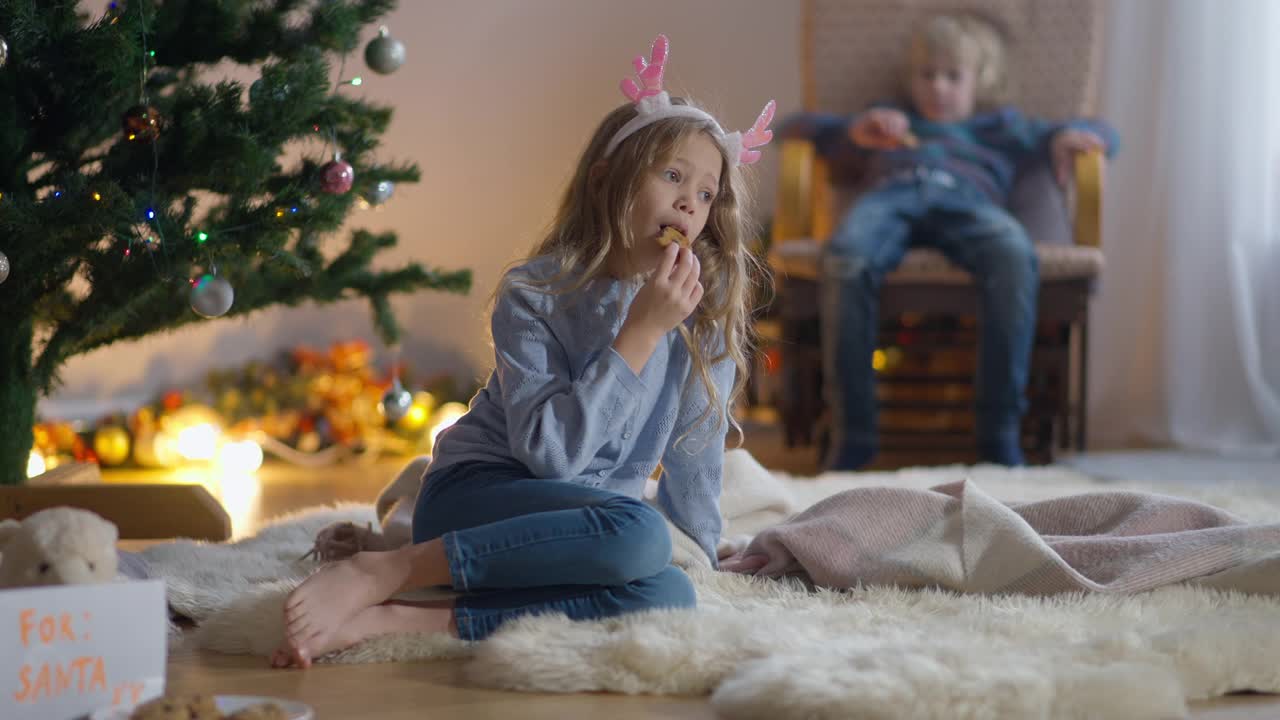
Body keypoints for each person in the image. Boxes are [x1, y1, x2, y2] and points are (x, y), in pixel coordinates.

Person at [271, 34, 775, 668]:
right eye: (672, 176)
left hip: (580, 527)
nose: (688, 204)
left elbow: (694, 459)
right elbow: (552, 460)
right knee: (639, 532)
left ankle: (403, 616)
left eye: (706, 194)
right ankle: (392, 568)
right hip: (477, 499)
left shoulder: (699, 314)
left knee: (669, 588)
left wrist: (703, 554)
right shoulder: (536, 292)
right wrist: (641, 333)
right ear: (604, 183)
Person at [793, 12, 1118, 470]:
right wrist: (854, 129)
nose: (938, 88)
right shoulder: (889, 120)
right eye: (927, 75)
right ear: (911, 79)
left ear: (978, 81)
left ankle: (999, 436)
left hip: (971, 203)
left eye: (952, 76)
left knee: (1013, 253)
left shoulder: (1003, 127)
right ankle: (854, 437)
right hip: (892, 196)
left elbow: (1106, 134)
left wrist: (1071, 137)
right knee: (846, 256)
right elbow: (796, 127)